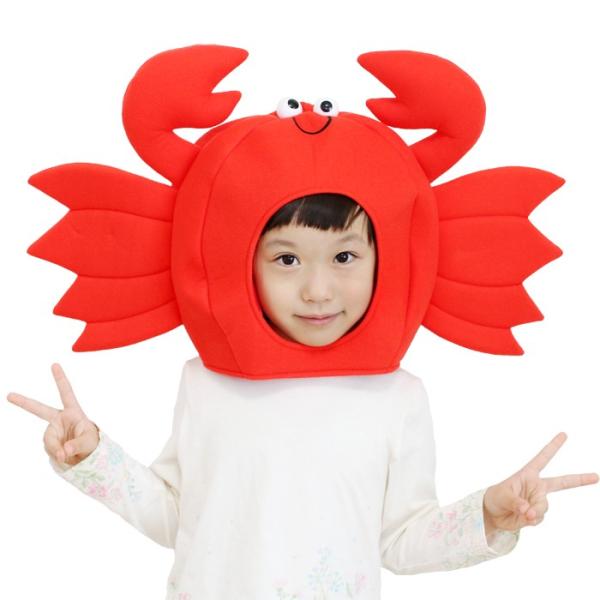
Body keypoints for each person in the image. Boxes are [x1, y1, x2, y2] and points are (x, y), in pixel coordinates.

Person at [7, 193, 599, 600]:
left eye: (344, 257)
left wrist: (488, 515)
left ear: (383, 262)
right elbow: (179, 519)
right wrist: (93, 457)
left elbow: (399, 540)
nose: (318, 290)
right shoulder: (207, 381)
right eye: (287, 259)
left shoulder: (395, 396)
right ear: (247, 264)